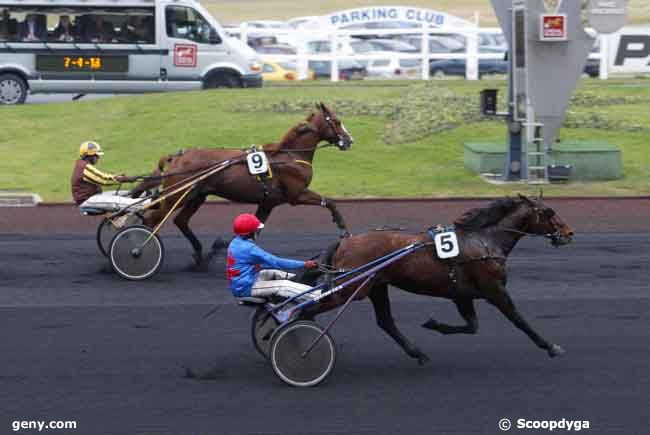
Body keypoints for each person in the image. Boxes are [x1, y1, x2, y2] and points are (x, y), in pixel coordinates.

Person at [226, 214, 320, 300]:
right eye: (256, 230)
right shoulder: (249, 249)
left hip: (243, 281)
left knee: (274, 273)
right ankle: (318, 295)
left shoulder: (235, 243)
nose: (257, 232)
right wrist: (304, 264)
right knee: (283, 285)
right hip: (247, 288)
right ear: (249, 233)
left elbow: (264, 263)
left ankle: (301, 283)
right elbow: (276, 262)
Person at [71, 141, 136, 205]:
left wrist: (119, 177)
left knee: (128, 194)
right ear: (89, 155)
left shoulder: (82, 165)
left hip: (92, 197)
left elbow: (102, 176)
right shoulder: (85, 167)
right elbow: (104, 180)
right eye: (96, 155)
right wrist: (123, 179)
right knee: (123, 200)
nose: (98, 157)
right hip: (88, 200)